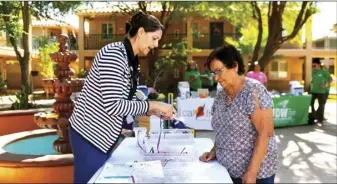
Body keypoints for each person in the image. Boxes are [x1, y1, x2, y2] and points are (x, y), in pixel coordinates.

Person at [68, 11, 176, 183]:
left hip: (102, 137)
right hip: (89, 135)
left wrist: (151, 112)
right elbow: (114, 105)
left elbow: (126, 101)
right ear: (141, 32)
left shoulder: (129, 59)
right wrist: (153, 105)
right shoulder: (114, 55)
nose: (156, 45)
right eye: (154, 38)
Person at [199, 45, 278, 184]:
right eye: (213, 73)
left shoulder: (253, 91)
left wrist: (251, 173)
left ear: (234, 66)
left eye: (218, 71)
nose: (216, 77)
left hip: (255, 176)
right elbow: (223, 131)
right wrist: (214, 151)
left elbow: (265, 133)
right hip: (226, 172)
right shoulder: (221, 96)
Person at [310, 58, 333, 123]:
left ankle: (319, 117)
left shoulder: (324, 71)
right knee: (311, 103)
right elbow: (313, 79)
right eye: (312, 65)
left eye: (315, 65)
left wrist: (326, 85)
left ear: (319, 64)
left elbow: (330, 79)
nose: (313, 67)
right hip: (314, 90)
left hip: (323, 91)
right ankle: (314, 116)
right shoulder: (313, 71)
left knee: (321, 105)